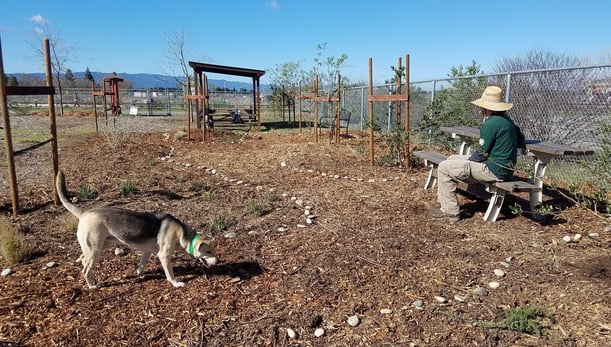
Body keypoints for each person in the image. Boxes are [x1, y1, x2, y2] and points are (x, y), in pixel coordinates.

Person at [429, 86, 525, 223]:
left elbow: (482, 153)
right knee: (452, 159)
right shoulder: (507, 121)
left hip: (493, 169)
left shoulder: (491, 123)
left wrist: (469, 161)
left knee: (444, 167)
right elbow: (520, 138)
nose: (481, 110)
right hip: (504, 168)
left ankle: (450, 212)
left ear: (487, 107)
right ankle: (443, 203)